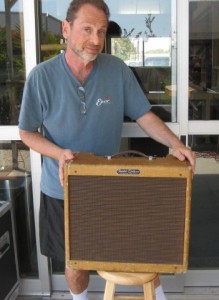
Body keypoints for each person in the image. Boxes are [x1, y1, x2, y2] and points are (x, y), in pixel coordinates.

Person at [18, 1, 196, 300]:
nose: (96, 40)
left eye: (101, 31)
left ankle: (159, 296)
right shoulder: (41, 76)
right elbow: (26, 132)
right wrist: (59, 153)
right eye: (87, 29)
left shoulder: (117, 70)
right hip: (62, 189)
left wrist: (176, 144)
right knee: (74, 260)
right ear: (66, 28)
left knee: (139, 247)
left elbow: (144, 115)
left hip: (112, 186)